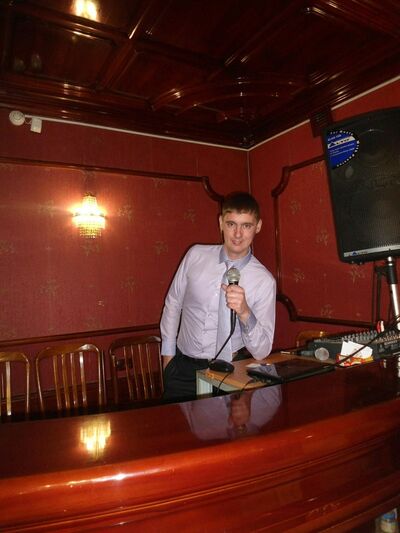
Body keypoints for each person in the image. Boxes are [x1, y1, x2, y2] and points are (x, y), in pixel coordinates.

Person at [160, 191, 276, 401]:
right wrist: (168, 358)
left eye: (246, 225)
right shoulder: (195, 255)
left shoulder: (264, 281)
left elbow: (262, 351)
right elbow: (173, 303)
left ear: (258, 226)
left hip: (230, 372)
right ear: (221, 223)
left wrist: (245, 312)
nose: (238, 234)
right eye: (231, 224)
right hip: (182, 368)